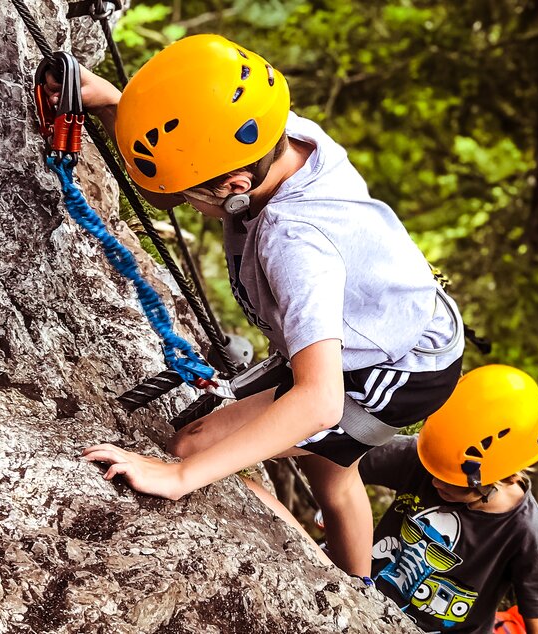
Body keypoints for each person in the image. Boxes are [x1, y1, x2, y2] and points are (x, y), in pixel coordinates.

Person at [65, 34, 465, 577]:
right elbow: (187, 156)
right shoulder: (273, 135)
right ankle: (361, 587)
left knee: (193, 446)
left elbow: (319, 401)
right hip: (394, 327)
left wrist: (180, 478)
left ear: (235, 184)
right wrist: (117, 106)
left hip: (394, 371)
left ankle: (339, 592)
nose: (186, 204)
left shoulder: (294, 242)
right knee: (330, 471)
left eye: (194, 197)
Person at [359, 364, 538, 633]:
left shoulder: (527, 535)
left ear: (507, 477)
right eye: (434, 470)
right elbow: (344, 459)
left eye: (451, 480)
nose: (434, 481)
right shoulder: (427, 459)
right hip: (363, 600)